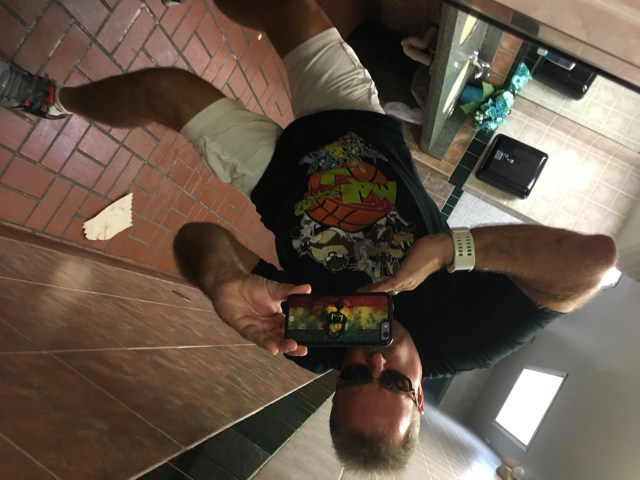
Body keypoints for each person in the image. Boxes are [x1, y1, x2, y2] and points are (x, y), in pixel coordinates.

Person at [0, 0, 617, 474]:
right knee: (290, 8)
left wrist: (221, 279)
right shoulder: (468, 335)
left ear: (336, 384)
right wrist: (449, 250)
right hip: (361, 129)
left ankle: (53, 99)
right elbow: (593, 263)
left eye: (355, 379)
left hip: (277, 176)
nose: (373, 361)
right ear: (420, 398)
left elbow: (197, 237)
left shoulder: (317, 337)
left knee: (163, 91)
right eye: (393, 382)